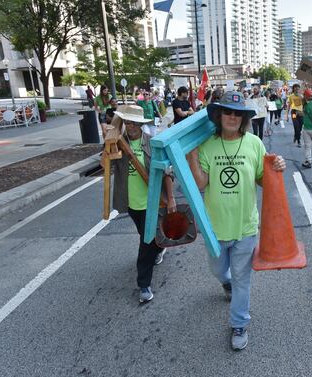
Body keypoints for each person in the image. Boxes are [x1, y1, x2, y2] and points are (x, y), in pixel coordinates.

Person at [187, 91, 286, 351]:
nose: (232, 117)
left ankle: (239, 323)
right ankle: (225, 281)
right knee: (219, 271)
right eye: (227, 112)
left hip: (245, 226)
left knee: (243, 280)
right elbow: (200, 183)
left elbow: (262, 181)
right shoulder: (207, 145)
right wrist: (192, 157)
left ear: (243, 118)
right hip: (215, 227)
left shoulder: (254, 143)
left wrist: (276, 169)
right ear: (219, 116)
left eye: (237, 113)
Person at [110, 105, 176, 303]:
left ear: (140, 124)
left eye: (133, 122)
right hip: (131, 203)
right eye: (127, 122)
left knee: (145, 242)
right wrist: (109, 141)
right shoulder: (117, 143)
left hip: (152, 202)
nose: (130, 126)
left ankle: (144, 284)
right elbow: (105, 163)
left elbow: (167, 172)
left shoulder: (153, 144)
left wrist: (171, 198)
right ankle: (159, 248)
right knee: (147, 236)